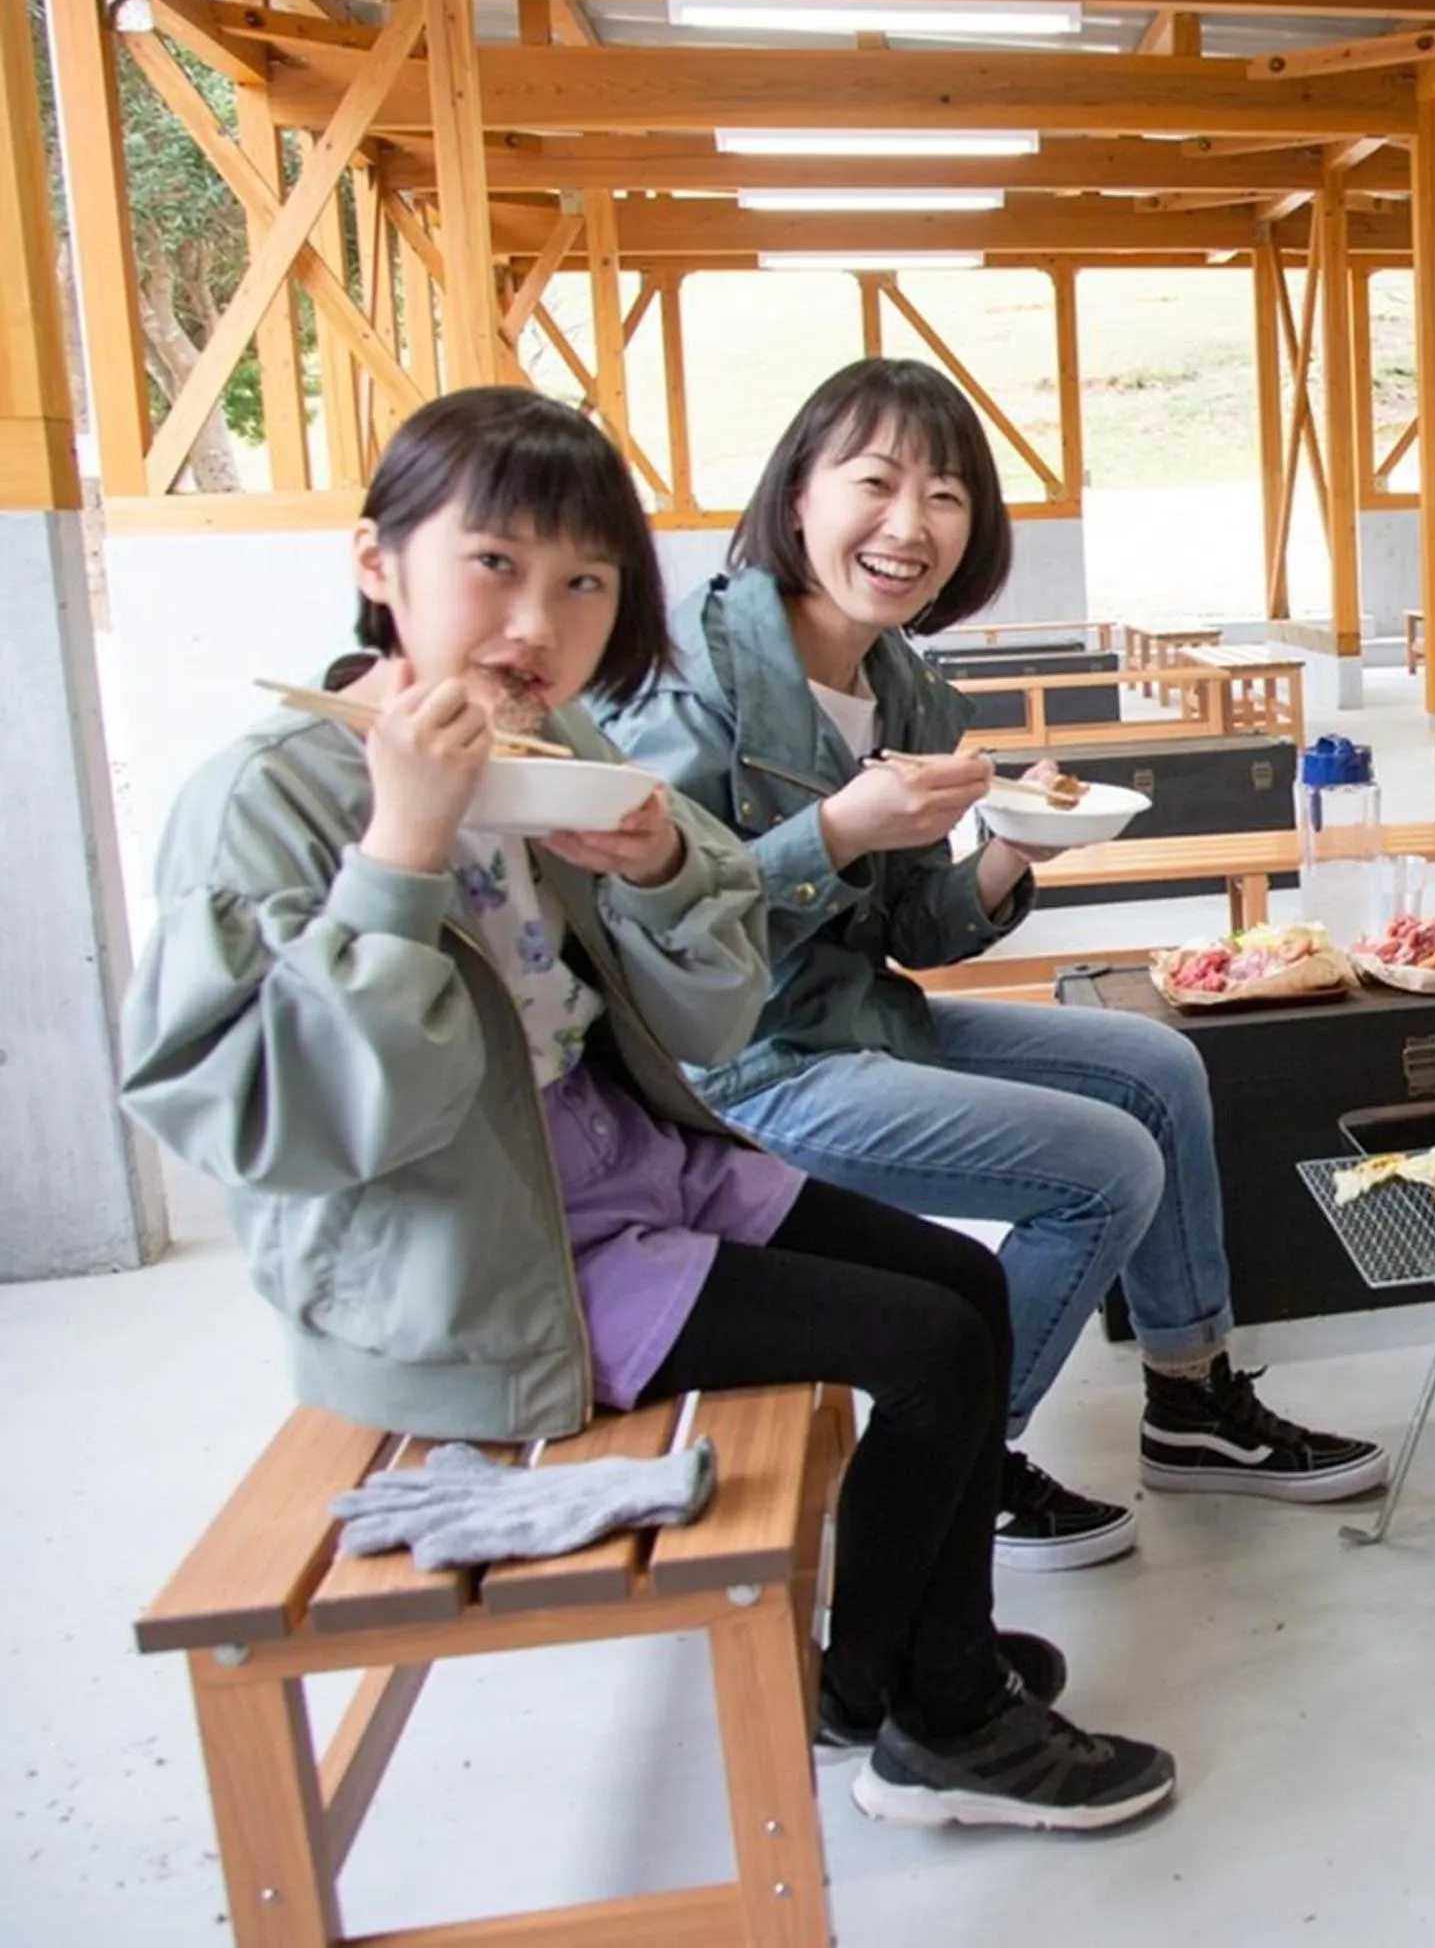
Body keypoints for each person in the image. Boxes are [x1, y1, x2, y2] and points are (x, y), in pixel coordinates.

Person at [117, 387, 1172, 1834]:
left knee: (961, 1286)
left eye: (585, 583)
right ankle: (942, 1719)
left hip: (641, 1167)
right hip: (486, 1259)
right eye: (493, 566)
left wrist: (674, 870)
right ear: (380, 562)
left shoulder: (553, 762)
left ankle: (880, 1671)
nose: (537, 626)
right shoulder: (276, 798)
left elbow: (701, 1024)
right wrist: (403, 856)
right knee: (927, 1346)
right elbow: (288, 1129)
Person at [604, 358, 1385, 1571]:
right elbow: (649, 954)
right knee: (1103, 1166)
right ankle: (956, 1460)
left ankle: (1191, 1401)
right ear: (797, 496)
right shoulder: (690, 689)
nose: (910, 526)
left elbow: (916, 930)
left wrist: (1011, 853)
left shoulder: (901, 678)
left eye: (948, 496)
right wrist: (837, 832)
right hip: (745, 1067)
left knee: (1158, 1066)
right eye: (876, 482)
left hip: (866, 1020)